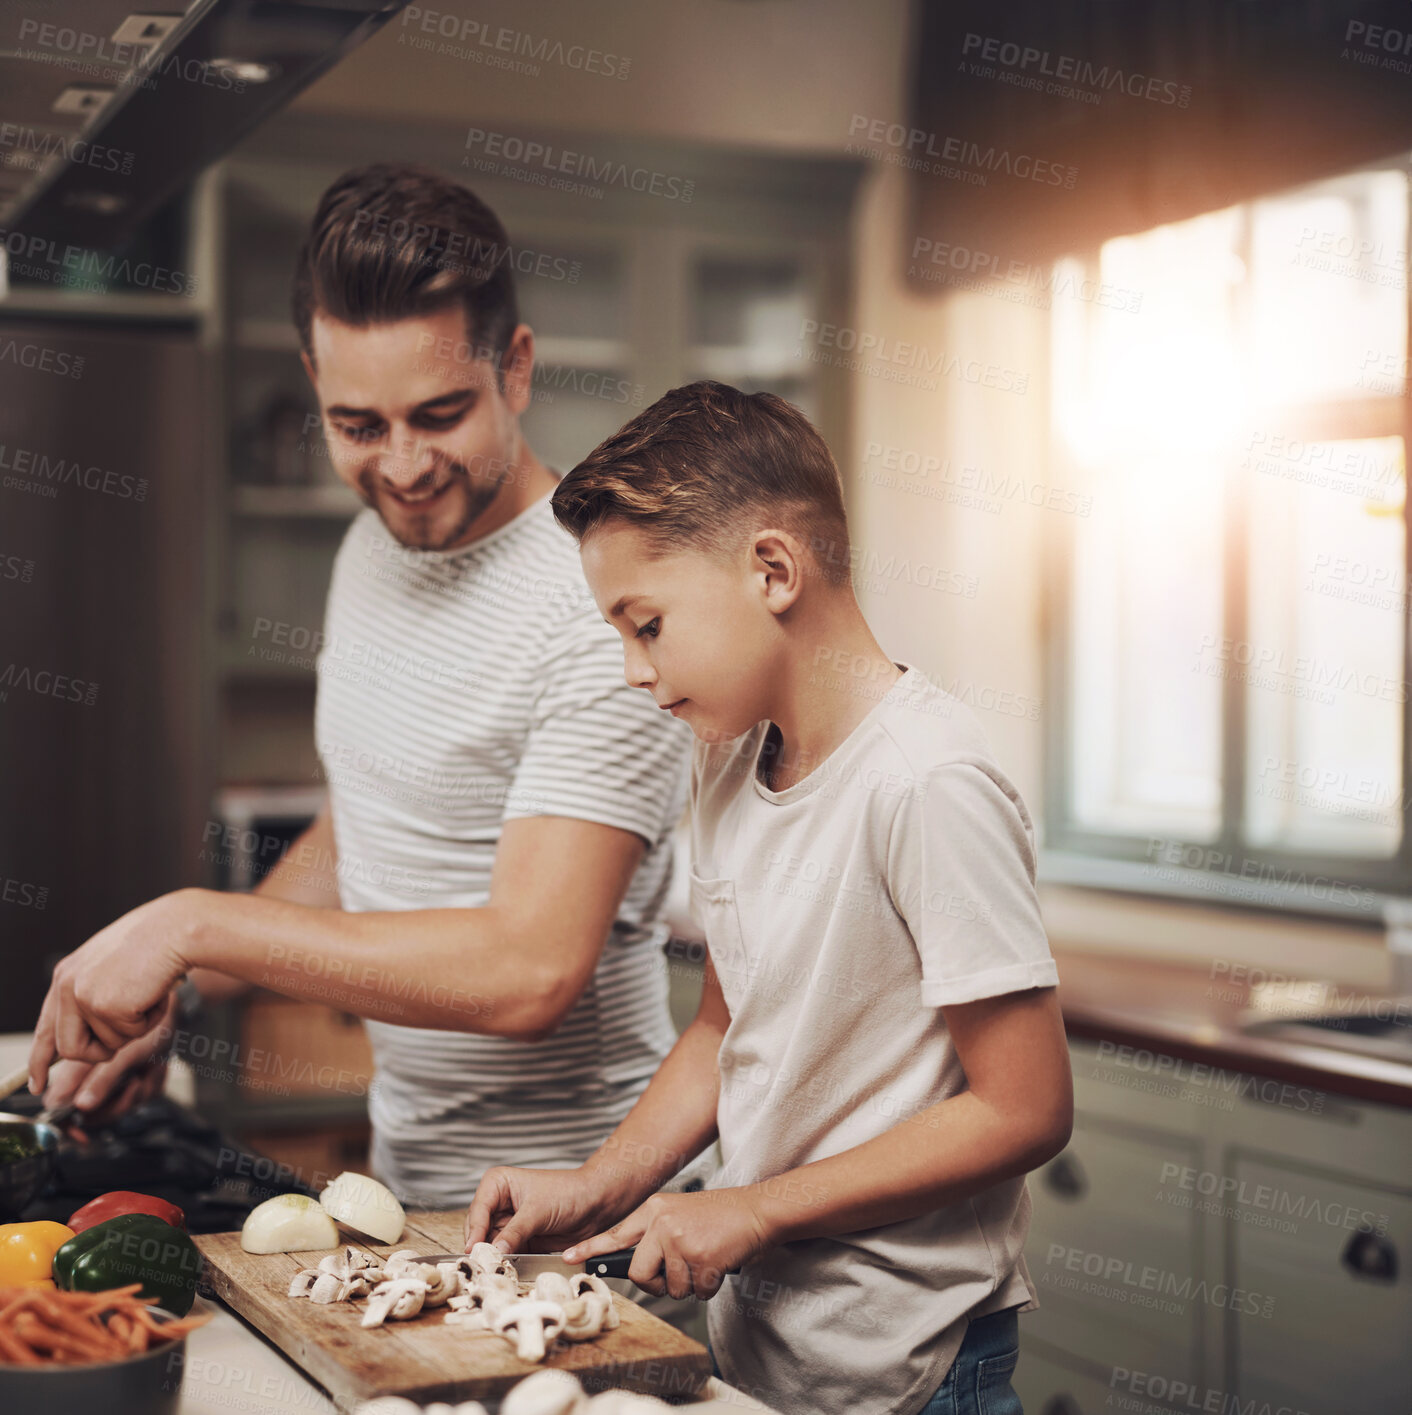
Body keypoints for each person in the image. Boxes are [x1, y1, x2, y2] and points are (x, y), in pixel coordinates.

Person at [26, 164, 696, 1232]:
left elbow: (529, 967)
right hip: (412, 1193)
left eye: (439, 413)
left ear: (515, 369)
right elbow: (367, 832)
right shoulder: (368, 550)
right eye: (357, 424)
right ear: (314, 383)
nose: (403, 465)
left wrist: (195, 924)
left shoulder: (598, 602)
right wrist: (183, 998)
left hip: (594, 1220)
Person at [462, 381, 1073, 1415]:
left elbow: (1024, 1107)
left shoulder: (924, 782)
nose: (630, 670)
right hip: (769, 1352)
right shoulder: (729, 750)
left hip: (916, 1372)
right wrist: (599, 1183)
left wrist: (750, 1210)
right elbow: (724, 1023)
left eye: (645, 624)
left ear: (773, 569)